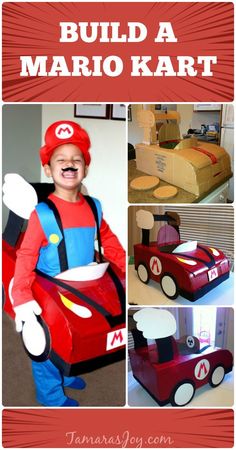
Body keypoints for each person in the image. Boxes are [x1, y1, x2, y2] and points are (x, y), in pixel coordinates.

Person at [11, 120, 125, 407]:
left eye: (77, 159)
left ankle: (66, 372)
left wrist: (126, 271)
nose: (69, 164)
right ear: (49, 169)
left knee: (80, 336)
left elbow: (108, 240)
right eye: (60, 159)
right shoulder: (42, 214)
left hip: (84, 285)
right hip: (50, 290)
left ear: (85, 167)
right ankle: (50, 394)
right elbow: (25, 257)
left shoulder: (93, 206)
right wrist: (22, 297)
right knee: (47, 346)